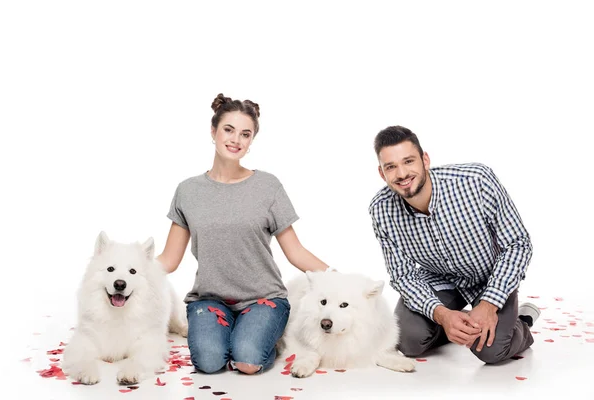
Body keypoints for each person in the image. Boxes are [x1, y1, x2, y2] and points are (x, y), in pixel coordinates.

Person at [156, 93, 329, 375]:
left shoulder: (268, 186)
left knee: (248, 361)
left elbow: (295, 251)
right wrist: (128, 270)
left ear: (251, 141)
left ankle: (263, 338)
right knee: (210, 363)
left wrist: (339, 278)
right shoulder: (187, 191)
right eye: (228, 130)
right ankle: (239, 335)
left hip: (264, 298)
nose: (236, 139)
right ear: (213, 131)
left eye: (245, 134)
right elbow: (169, 259)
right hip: (209, 300)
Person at [368, 125, 540, 364]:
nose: (402, 173)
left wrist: (490, 303)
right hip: (440, 279)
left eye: (408, 161)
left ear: (425, 160)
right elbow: (403, 275)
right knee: (407, 341)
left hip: (490, 276)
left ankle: (522, 321)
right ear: (381, 173)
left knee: (491, 350)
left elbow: (518, 244)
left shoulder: (476, 180)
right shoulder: (381, 208)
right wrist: (442, 316)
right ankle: (458, 324)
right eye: (391, 167)